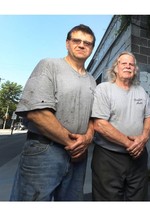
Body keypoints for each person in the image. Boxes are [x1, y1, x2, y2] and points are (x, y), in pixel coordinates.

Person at [10, 24, 96, 201]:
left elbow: (93, 118)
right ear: (67, 43)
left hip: (78, 156)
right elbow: (37, 112)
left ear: (92, 48)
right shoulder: (49, 65)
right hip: (45, 151)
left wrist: (87, 139)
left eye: (87, 43)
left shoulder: (92, 81)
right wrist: (72, 144)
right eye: (77, 40)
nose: (81, 45)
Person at [91, 51, 150, 201]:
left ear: (135, 69)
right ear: (116, 68)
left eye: (131, 64)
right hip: (108, 157)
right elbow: (99, 124)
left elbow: (148, 118)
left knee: (138, 199)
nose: (128, 66)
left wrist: (143, 138)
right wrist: (130, 144)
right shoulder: (103, 89)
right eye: (123, 63)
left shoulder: (141, 91)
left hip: (138, 156)